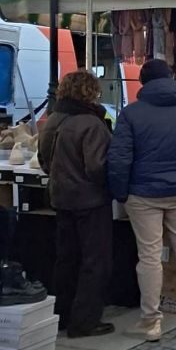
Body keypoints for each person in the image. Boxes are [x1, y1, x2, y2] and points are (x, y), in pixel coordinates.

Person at [108, 59, 176, 343]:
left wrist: (121, 192)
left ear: (143, 82)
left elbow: (119, 158)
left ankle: (151, 321)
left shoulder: (131, 114)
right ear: (172, 79)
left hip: (142, 194)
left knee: (150, 256)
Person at [38, 71, 114, 338]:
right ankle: (84, 321)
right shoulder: (91, 123)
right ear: (90, 91)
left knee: (66, 258)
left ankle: (61, 314)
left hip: (60, 197)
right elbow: (97, 167)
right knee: (95, 261)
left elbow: (43, 158)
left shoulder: (54, 118)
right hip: (90, 200)